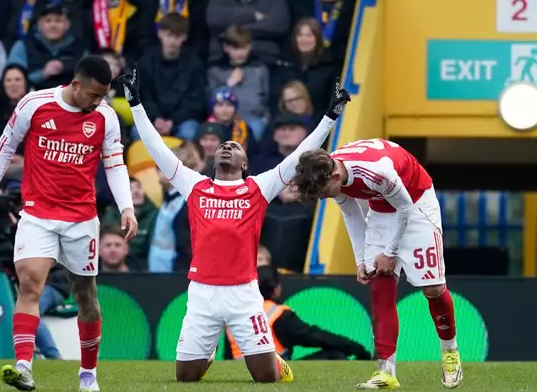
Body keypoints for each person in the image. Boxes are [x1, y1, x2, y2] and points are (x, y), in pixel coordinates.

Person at [118, 65, 350, 383]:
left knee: (266, 377)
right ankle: (208, 354)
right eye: (223, 147)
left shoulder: (259, 187)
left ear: (245, 163)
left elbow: (299, 154)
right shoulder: (194, 185)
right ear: (214, 159)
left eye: (235, 147)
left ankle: (274, 362)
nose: (228, 146)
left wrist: (330, 115)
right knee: (186, 376)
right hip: (202, 292)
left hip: (243, 293)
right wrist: (135, 104)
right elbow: (157, 148)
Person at [0, 55, 139, 392]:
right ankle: (23, 367)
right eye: (93, 95)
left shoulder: (105, 118)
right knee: (31, 284)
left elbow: (115, 165)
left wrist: (127, 207)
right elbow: (5, 147)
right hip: (37, 213)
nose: (98, 102)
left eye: (103, 96)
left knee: (86, 298)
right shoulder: (35, 104)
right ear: (75, 84)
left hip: (81, 219)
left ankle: (88, 375)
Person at [290, 139, 462, 389]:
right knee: (379, 284)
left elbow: (404, 208)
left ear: (336, 175)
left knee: (433, 289)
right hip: (382, 210)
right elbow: (351, 213)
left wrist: (390, 253)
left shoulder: (376, 171)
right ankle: (386, 371)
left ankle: (450, 352)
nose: (325, 197)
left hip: (415, 204)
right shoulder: (329, 170)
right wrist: (361, 259)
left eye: (325, 192)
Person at [227, 265, 371, 361]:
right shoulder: (277, 315)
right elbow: (316, 337)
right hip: (272, 372)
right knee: (333, 356)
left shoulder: (235, 313)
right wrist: (356, 348)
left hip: (242, 372)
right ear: (276, 288)